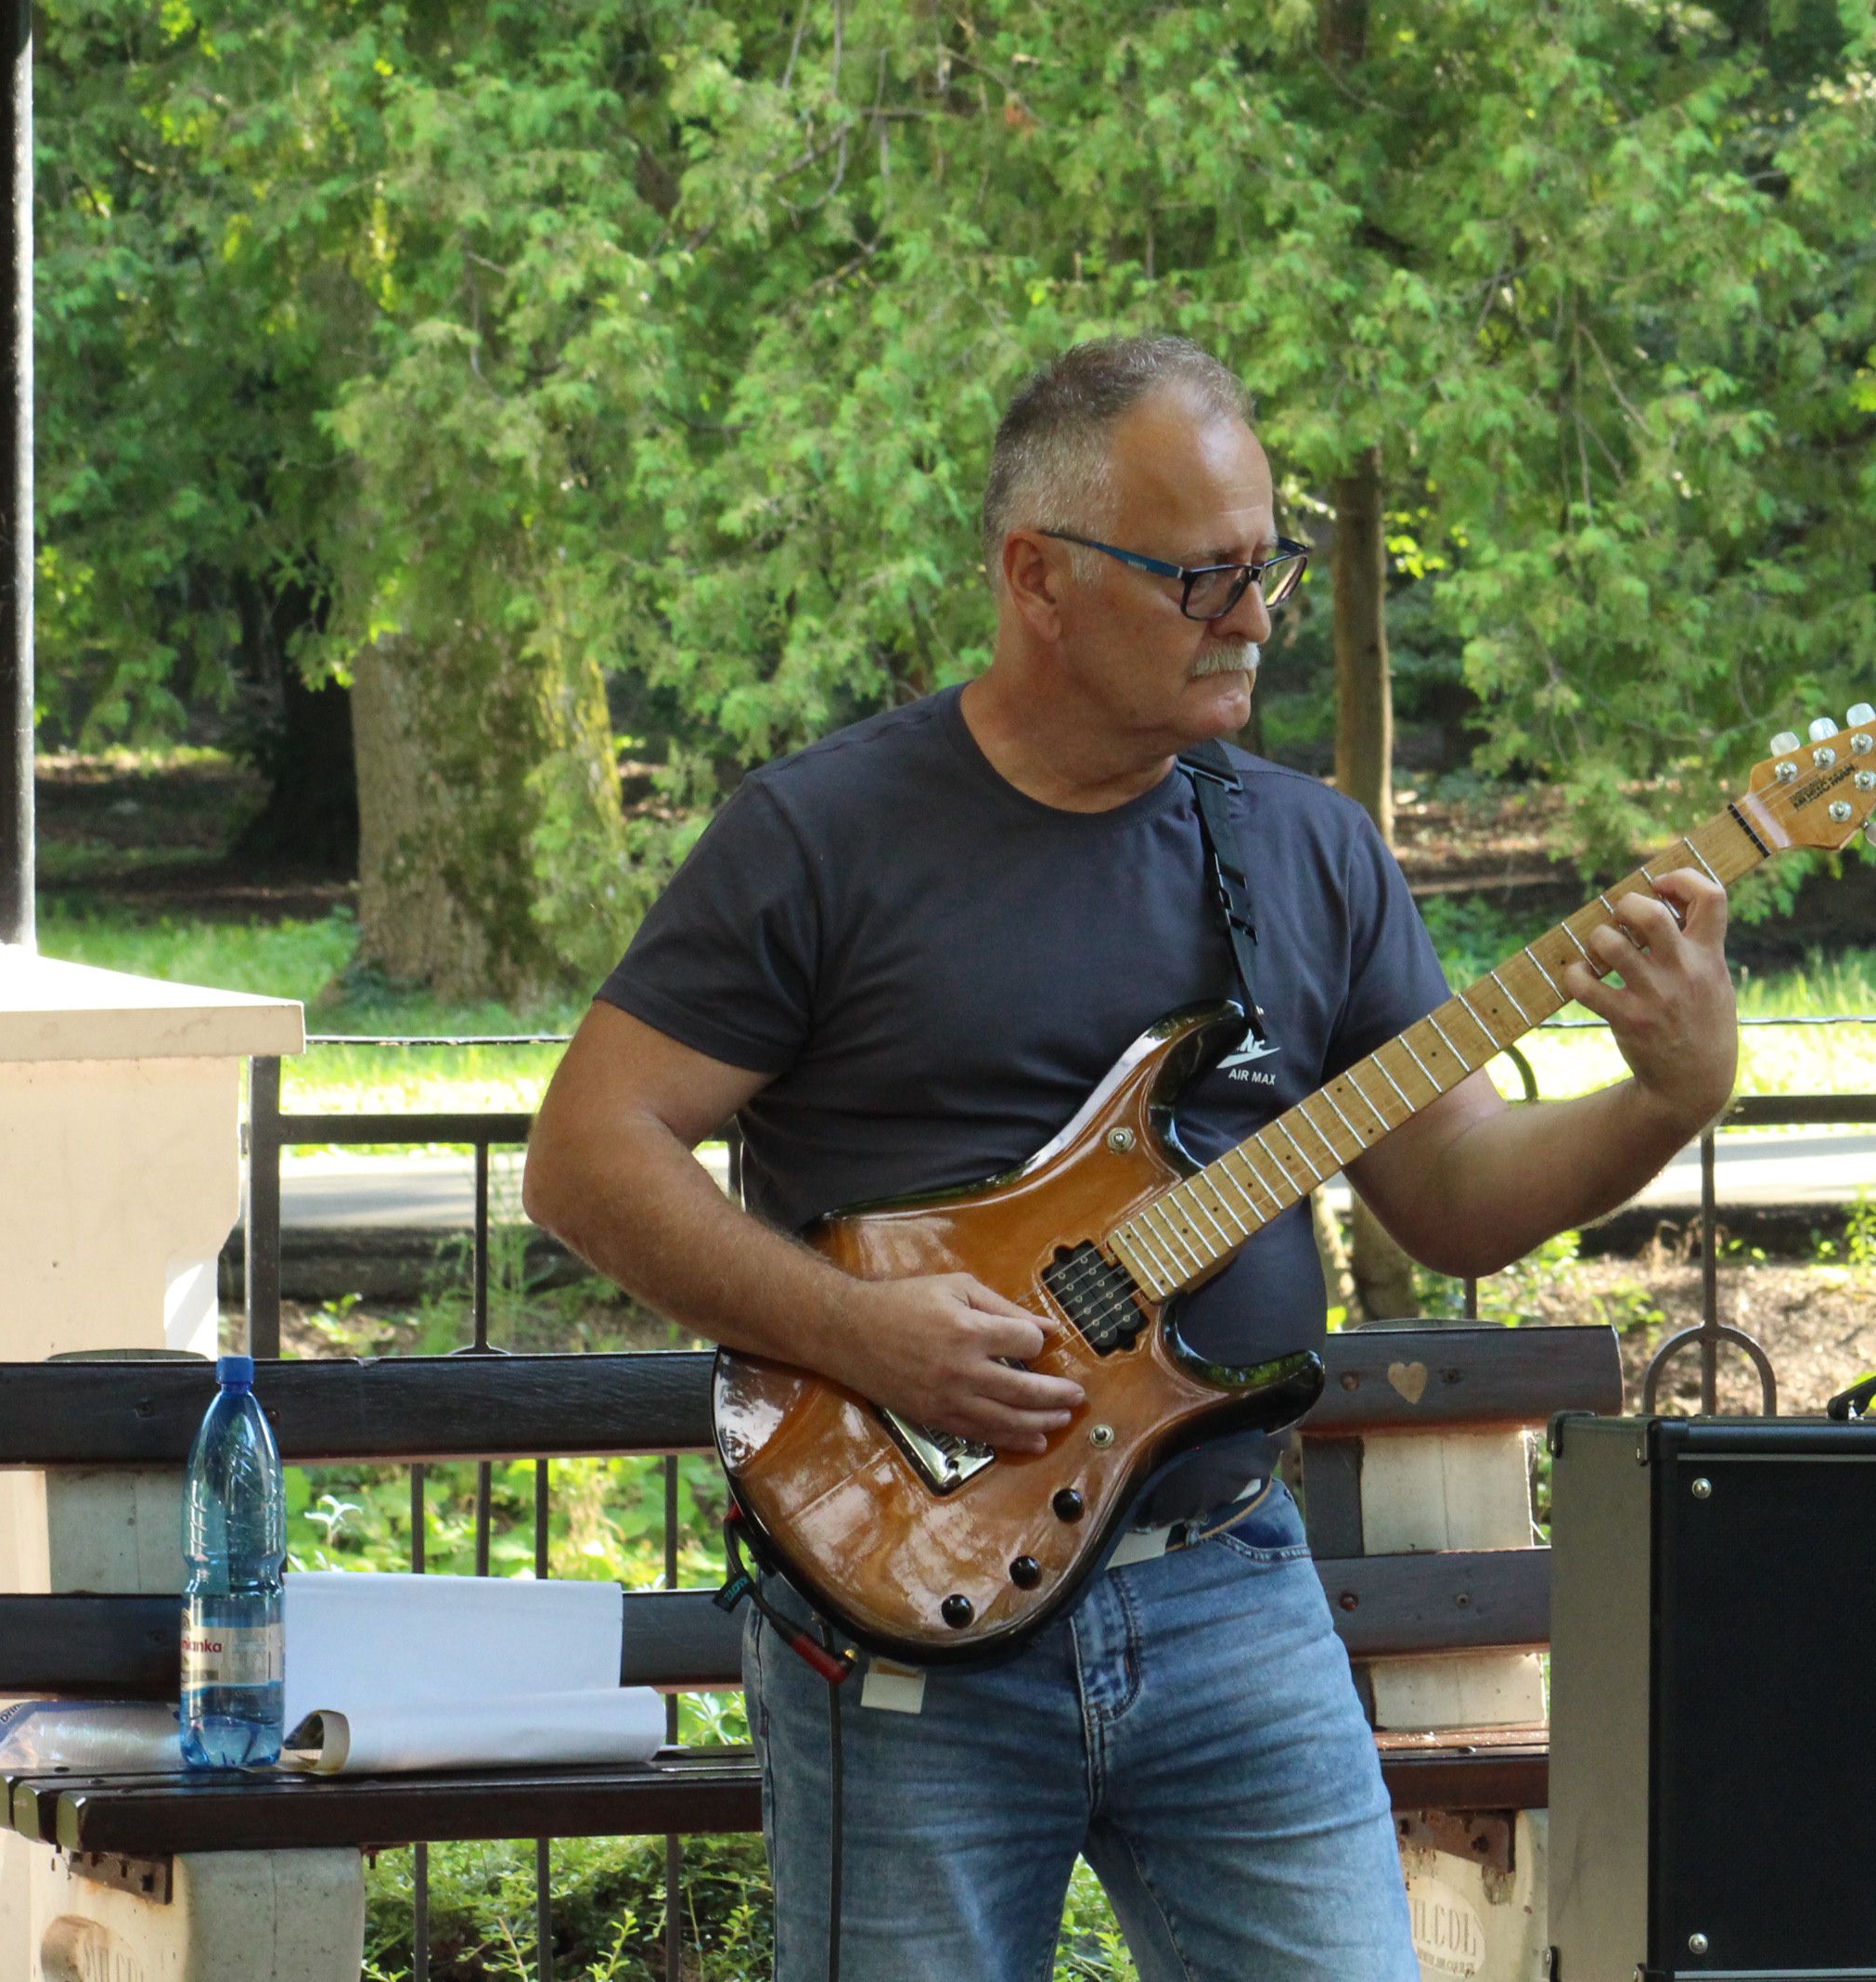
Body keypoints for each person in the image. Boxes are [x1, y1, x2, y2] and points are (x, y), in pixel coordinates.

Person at [522, 335, 1738, 1981]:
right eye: (1201, 578)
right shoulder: (821, 836)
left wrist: (1667, 1095)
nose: (1253, 619)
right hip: (908, 1594)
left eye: (1268, 570)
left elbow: (1452, 1190)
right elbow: (587, 1153)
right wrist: (858, 1329)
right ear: (1037, 576)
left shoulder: (1305, 846)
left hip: (1228, 1578)